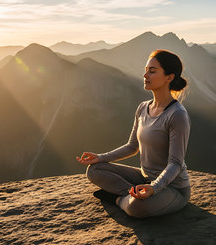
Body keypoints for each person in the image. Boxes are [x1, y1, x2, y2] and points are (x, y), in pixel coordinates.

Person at [76, 49, 191, 218]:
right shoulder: (143, 107)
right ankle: (131, 194)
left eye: (152, 71)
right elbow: (132, 146)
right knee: (94, 170)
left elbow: (175, 163)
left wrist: (154, 188)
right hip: (144, 178)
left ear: (170, 77)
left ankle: (120, 199)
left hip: (173, 188)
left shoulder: (177, 115)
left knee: (137, 207)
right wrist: (100, 157)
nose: (145, 75)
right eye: (146, 70)